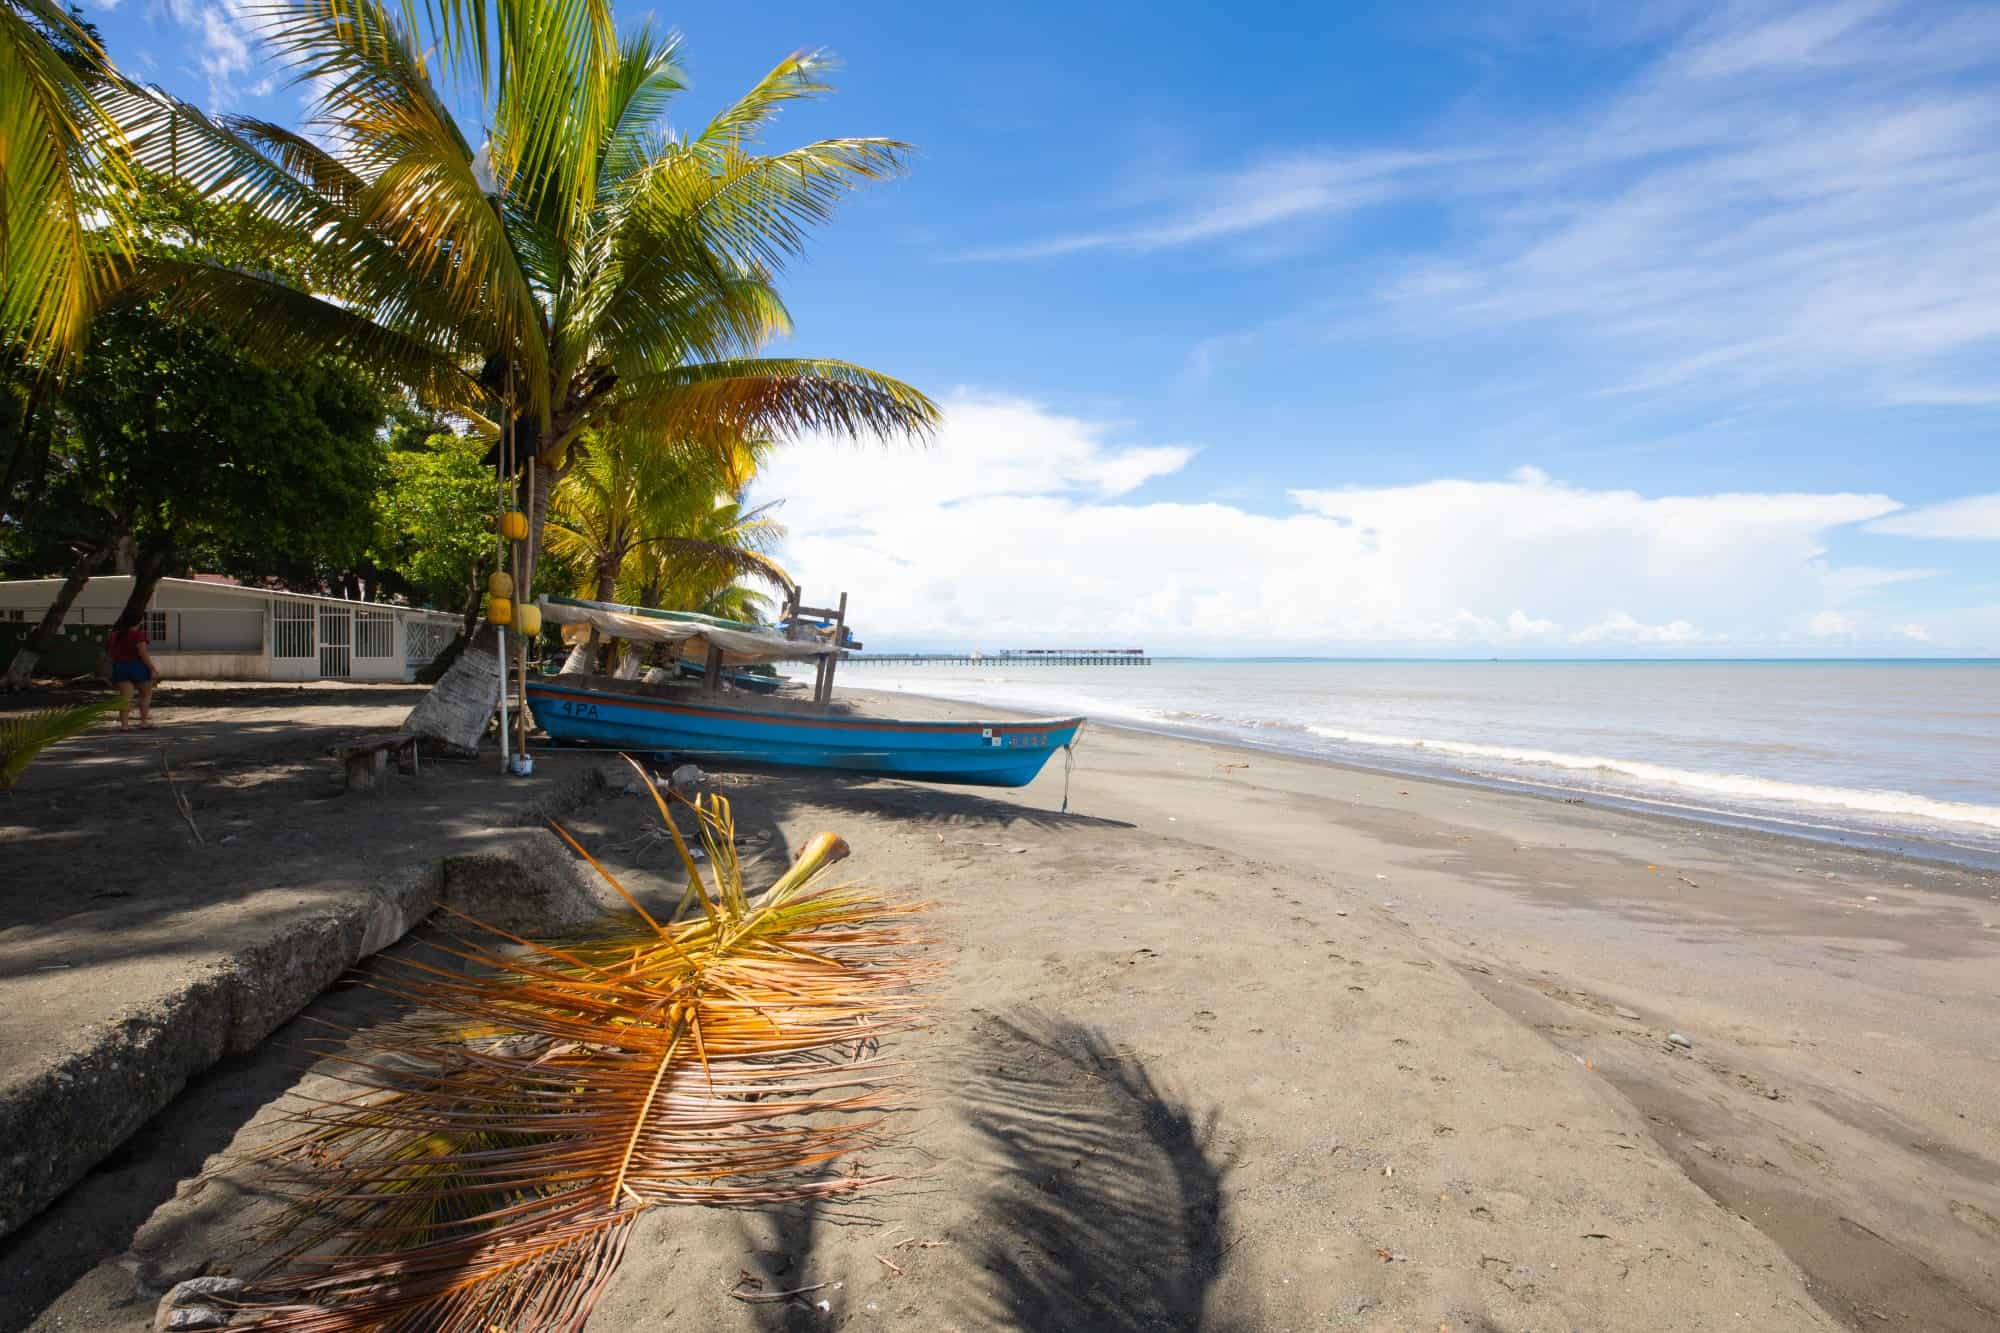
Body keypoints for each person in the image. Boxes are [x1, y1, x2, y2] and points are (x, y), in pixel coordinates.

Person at [105, 610, 161, 730]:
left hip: (120, 667)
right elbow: (142, 652)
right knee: (145, 695)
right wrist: (152, 668)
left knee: (125, 698)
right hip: (137, 666)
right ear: (138, 622)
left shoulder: (113, 635)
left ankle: (124, 725)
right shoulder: (138, 635)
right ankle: (143, 722)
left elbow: (110, 653)